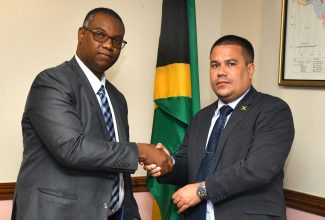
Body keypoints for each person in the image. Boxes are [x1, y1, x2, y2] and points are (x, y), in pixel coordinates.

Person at [12, 7, 172, 220]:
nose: (108, 45)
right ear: (81, 34)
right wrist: (141, 151)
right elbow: (72, 149)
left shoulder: (116, 98)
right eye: (100, 35)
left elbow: (116, 163)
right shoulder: (52, 82)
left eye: (117, 41)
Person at [145, 35, 294, 219]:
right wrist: (168, 163)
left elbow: (258, 168)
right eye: (215, 65)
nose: (220, 72)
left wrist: (202, 190)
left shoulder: (273, 110)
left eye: (230, 64)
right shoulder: (201, 117)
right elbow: (189, 166)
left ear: (250, 69)